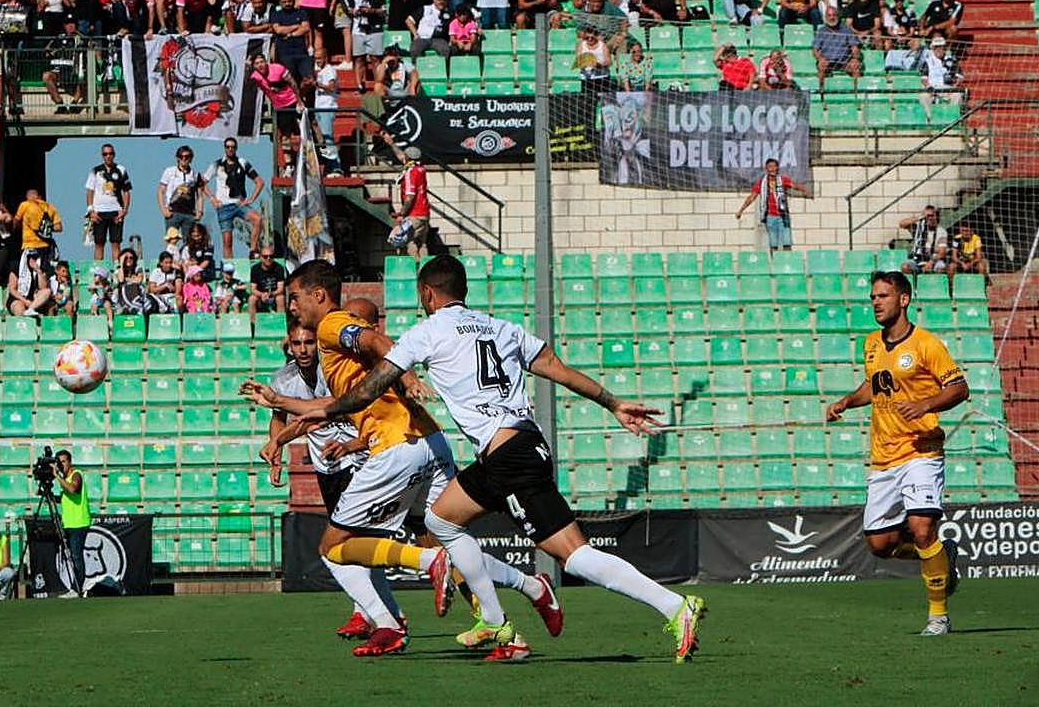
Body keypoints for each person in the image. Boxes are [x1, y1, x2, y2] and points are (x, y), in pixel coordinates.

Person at [293, 255, 707, 663]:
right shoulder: (500, 327)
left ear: (427, 294)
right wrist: (612, 402)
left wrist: (326, 410)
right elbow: (556, 367)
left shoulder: (428, 332)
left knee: (573, 555)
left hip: (507, 457)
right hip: (524, 445)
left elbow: (370, 388)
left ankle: (674, 607)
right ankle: (496, 620)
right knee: (441, 520)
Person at [245, 260, 551, 658]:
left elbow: (377, 343)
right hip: (430, 442)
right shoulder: (349, 360)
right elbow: (334, 406)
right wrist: (281, 424)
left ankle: (396, 610)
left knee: (333, 547)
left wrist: (406, 376)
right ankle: (520, 607)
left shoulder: (332, 325)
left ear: (318, 295)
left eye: (295, 297)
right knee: (451, 541)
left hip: (396, 449)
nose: (290, 305)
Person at [826, 270, 967, 636]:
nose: (876, 302)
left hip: (921, 451)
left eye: (883, 296)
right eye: (873, 297)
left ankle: (938, 617)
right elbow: (875, 385)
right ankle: (942, 557)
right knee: (880, 544)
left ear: (904, 299)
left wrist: (925, 405)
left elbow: (959, 388)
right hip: (884, 456)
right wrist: (847, 401)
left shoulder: (926, 344)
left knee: (921, 529)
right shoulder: (871, 343)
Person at [264, 318, 398, 639]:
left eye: (309, 343)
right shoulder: (283, 379)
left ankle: (367, 613)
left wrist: (281, 439)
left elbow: (326, 411)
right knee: (352, 543)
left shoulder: (336, 369)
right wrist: (276, 450)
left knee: (349, 540)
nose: (303, 350)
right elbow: (278, 417)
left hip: (361, 458)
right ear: (289, 345)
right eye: (296, 344)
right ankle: (384, 612)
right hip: (328, 467)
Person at [203, 137, 263, 259]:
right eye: (228, 147)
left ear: (236, 148)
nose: (230, 149)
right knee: (227, 241)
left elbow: (259, 182)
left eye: (233, 147)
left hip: (239, 203)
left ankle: (253, 250)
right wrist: (212, 198)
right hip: (223, 205)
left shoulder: (243, 162)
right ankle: (229, 266)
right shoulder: (217, 164)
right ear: (224, 148)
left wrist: (251, 199)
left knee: (257, 219)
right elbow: (201, 183)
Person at [734, 157, 812, 252]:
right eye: (769, 167)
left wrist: (804, 190)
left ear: (777, 168)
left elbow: (794, 185)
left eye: (774, 166)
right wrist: (741, 210)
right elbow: (751, 197)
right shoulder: (761, 183)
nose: (772, 169)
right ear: (766, 168)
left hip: (783, 216)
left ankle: (787, 260)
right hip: (770, 217)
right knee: (773, 244)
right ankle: (774, 260)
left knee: (787, 243)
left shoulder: (782, 180)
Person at [52, 449, 90, 598]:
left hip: (79, 523)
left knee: (76, 556)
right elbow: (65, 498)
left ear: (70, 462)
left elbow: (73, 489)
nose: (61, 465)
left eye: (64, 461)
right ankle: (75, 587)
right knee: (73, 557)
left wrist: (57, 476)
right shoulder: (65, 479)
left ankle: (78, 588)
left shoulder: (76, 474)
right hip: (69, 523)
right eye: (59, 462)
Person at [85, 144, 133, 263]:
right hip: (99, 211)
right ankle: (97, 269)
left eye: (110, 153)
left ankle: (117, 269)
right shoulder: (95, 171)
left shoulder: (121, 170)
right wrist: (91, 210)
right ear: (102, 156)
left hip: (116, 210)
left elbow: (126, 191)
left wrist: (125, 210)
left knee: (116, 242)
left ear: (114, 154)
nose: (108, 156)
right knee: (99, 243)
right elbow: (90, 190)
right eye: (105, 154)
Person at [12, 188, 62, 278]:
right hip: (45, 246)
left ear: (27, 197)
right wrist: (45, 228)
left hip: (29, 245)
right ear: (39, 197)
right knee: (43, 273)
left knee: (27, 274)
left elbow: (16, 222)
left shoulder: (25, 205)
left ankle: (36, 277)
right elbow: (59, 227)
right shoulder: (49, 207)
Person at [158, 145, 204, 238]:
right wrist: (163, 209)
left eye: (187, 157)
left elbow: (200, 195)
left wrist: (200, 212)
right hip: (172, 212)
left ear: (191, 158)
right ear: (177, 158)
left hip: (189, 213)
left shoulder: (195, 175)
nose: (184, 159)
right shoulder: (169, 171)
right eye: (181, 156)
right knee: (171, 239)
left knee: (189, 241)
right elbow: (160, 191)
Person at [393, 146, 430, 262]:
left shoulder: (410, 172)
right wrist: (391, 144)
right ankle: (426, 268)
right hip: (425, 212)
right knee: (422, 244)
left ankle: (416, 267)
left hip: (414, 214)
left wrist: (401, 214)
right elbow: (401, 157)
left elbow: (410, 197)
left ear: (408, 157)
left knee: (409, 242)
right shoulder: (421, 169)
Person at [812, 6, 861, 90]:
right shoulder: (821, 31)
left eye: (834, 15)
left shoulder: (846, 29)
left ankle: (857, 92)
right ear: (826, 17)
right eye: (829, 15)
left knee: (855, 65)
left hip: (844, 62)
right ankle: (820, 92)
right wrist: (820, 59)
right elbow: (815, 50)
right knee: (821, 66)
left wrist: (855, 58)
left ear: (838, 16)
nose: (832, 18)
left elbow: (854, 47)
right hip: (827, 62)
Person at [918, 35, 963, 122]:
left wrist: (954, 86)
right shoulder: (927, 61)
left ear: (945, 48)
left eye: (941, 47)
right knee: (923, 96)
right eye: (936, 47)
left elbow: (960, 76)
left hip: (948, 88)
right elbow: (924, 79)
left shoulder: (952, 60)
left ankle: (951, 119)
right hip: (932, 88)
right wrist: (928, 86)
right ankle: (930, 118)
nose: (939, 50)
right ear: (933, 49)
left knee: (957, 95)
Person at [900, 204, 949, 274]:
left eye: (932, 215)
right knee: (905, 266)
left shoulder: (941, 231)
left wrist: (931, 262)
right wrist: (920, 217)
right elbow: (902, 224)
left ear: (937, 217)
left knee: (941, 267)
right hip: (917, 259)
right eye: (927, 216)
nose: (930, 218)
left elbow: (942, 252)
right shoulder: (918, 229)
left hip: (934, 260)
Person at [247, 245, 285, 326]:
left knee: (280, 298)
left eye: (271, 256)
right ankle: (253, 325)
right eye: (265, 256)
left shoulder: (279, 268)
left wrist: (271, 294)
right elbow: (253, 289)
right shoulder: (255, 269)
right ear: (260, 257)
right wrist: (262, 295)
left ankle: (280, 324)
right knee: (252, 299)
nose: (268, 258)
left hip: (274, 294)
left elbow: (281, 289)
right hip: (260, 295)